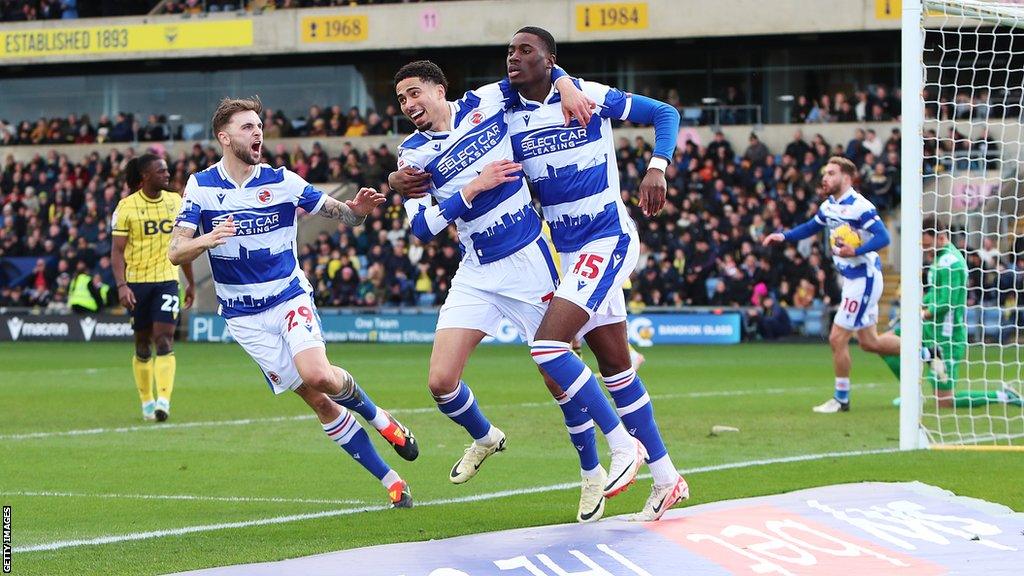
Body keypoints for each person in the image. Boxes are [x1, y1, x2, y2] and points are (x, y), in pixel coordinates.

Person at [391, 60, 615, 523]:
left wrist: (569, 83)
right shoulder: (411, 153)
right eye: (401, 99)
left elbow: (537, 69)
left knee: (558, 379)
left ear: (439, 88)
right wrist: (470, 189)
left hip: (528, 261)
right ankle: (486, 436)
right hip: (475, 271)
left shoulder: (487, 101)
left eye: (415, 93)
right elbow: (421, 227)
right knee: (440, 381)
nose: (409, 104)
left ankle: (593, 471)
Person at [168, 96, 417, 508]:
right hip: (244, 317)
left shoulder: (284, 181)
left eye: (259, 125)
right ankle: (391, 480)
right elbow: (175, 252)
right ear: (224, 137)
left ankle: (382, 420)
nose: (258, 132)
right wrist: (206, 239)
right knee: (317, 400)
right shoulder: (200, 186)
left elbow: (345, 214)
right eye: (247, 127)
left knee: (318, 375)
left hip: (287, 296)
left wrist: (358, 210)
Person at [506, 27, 687, 521]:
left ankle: (623, 446)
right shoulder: (506, 116)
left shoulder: (588, 95)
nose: (514, 58)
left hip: (608, 239)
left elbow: (664, 114)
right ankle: (668, 478)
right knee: (617, 369)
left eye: (526, 50)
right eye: (510, 51)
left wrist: (657, 166)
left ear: (550, 58)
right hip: (570, 252)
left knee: (547, 347)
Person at [763, 156, 899, 413]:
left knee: (837, 338)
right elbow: (810, 227)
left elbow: (883, 237)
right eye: (825, 173)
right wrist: (784, 236)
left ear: (846, 178)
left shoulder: (860, 206)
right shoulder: (829, 207)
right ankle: (924, 352)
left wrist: (854, 249)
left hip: (864, 278)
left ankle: (841, 398)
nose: (825, 177)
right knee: (870, 343)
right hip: (851, 279)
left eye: (831, 173)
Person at [882, 218, 1021, 408]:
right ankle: (912, 392)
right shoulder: (939, 259)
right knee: (885, 343)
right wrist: (920, 304)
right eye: (923, 245)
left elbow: (948, 301)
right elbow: (935, 292)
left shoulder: (952, 262)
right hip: (928, 331)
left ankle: (1002, 395)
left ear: (940, 237)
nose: (926, 249)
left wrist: (922, 313)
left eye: (928, 244)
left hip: (946, 338)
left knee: (945, 401)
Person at [111, 154, 195, 422]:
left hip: (167, 280)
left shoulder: (175, 202)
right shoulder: (126, 207)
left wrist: (190, 281)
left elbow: (183, 246)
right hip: (136, 282)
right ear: (145, 176)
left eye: (167, 169)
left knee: (164, 339)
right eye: (161, 171)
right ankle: (147, 401)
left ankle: (163, 402)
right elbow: (117, 251)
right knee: (143, 345)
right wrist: (122, 285)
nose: (167, 174)